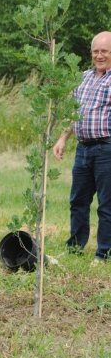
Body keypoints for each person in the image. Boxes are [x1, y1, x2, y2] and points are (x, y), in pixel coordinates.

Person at [53, 31, 111, 263]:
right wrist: (62, 138)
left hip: (107, 149)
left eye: (104, 51)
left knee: (107, 205)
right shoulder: (83, 77)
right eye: (96, 51)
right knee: (78, 201)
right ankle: (75, 247)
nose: (99, 56)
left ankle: (103, 253)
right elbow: (73, 111)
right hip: (83, 149)